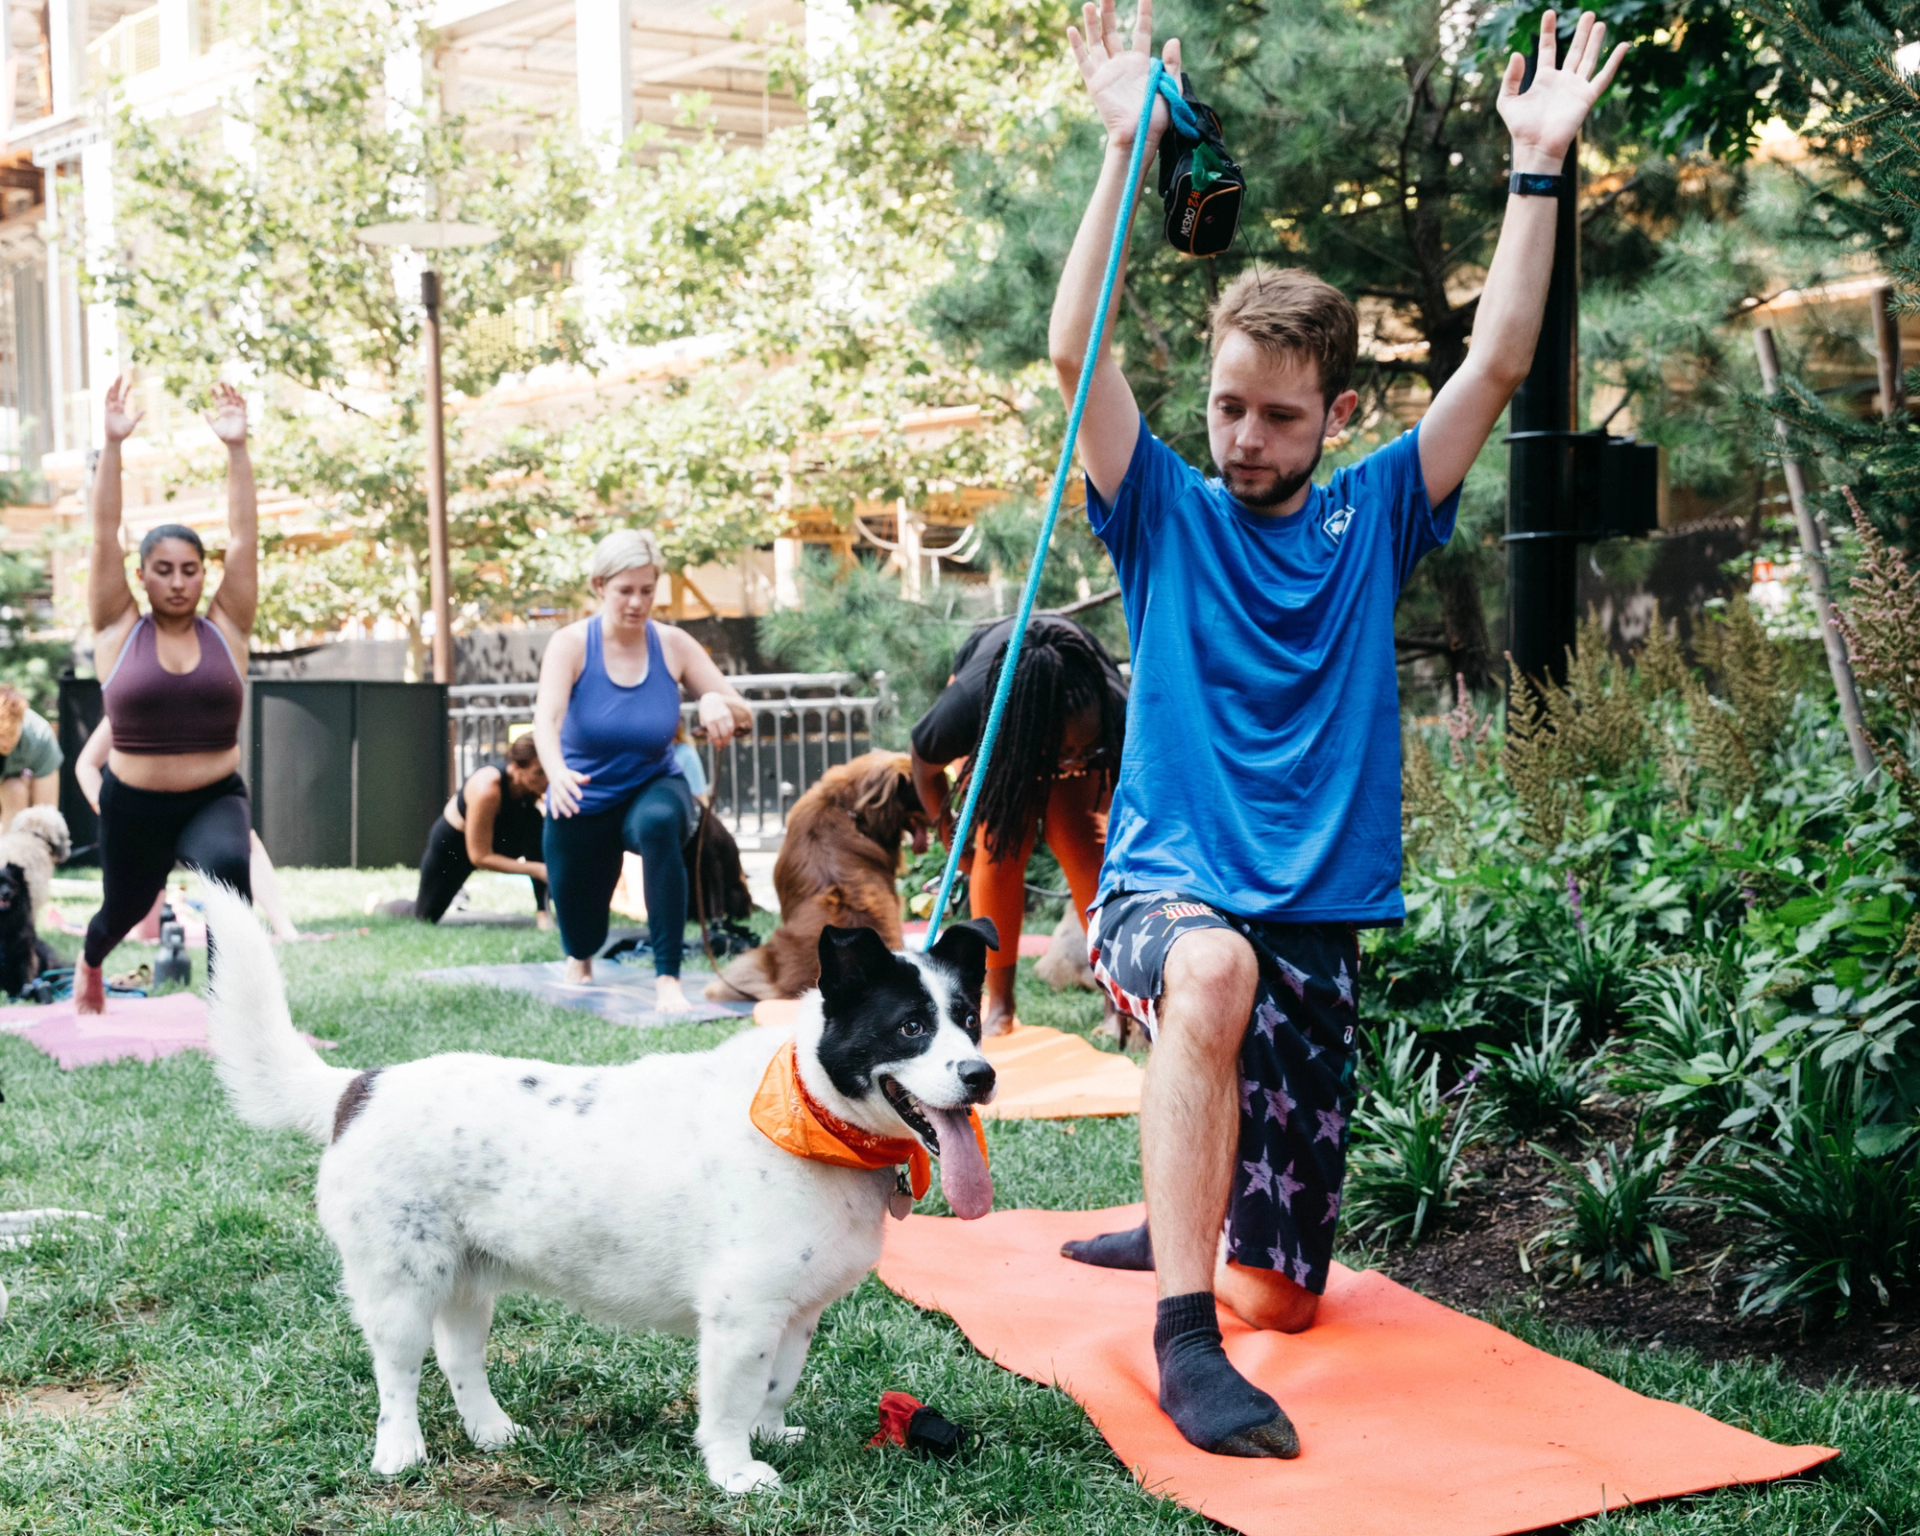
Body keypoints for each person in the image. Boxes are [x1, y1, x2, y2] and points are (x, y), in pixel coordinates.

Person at [1049, 2, 1625, 1458]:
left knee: (1288, 1302)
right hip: (1169, 894)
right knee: (1209, 966)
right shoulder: (1163, 511)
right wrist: (1127, 148)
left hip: (1318, 922)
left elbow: (1496, 362)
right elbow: (1073, 353)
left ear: (1334, 415)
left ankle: (1195, 1226)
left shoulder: (1373, 519)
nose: (1244, 439)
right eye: (1228, 408)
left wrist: (1538, 167)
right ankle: (1185, 1341)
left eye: (1278, 417)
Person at [78, 375, 259, 1013]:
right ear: (142, 575)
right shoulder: (117, 628)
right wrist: (112, 444)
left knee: (230, 875)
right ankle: (91, 960)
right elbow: (104, 535)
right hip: (134, 806)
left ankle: (225, 1011)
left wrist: (237, 449)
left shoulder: (227, 628)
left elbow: (244, 541)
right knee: (124, 909)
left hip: (213, 798)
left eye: (190, 570)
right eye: (164, 570)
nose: (178, 583)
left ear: (202, 574)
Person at [534, 529, 750, 1012]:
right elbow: (545, 719)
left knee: (658, 825)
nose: (637, 602)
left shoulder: (673, 644)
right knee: (581, 933)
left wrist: (716, 700)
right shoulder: (570, 644)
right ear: (599, 586)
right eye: (624, 591)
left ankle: (667, 979)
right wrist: (557, 772)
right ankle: (582, 955)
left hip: (654, 784)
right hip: (581, 792)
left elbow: (744, 711)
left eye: (647, 590)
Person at [910, 613, 1125, 1035]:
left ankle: (1118, 1004)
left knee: (1083, 843)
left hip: (1070, 709)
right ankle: (999, 1007)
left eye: (1084, 750)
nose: (1074, 763)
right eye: (1067, 752)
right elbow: (924, 763)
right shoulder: (970, 706)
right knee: (999, 849)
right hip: (1008, 731)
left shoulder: (1115, 707)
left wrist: (1085, 755)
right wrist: (951, 837)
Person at [75, 716, 298, 941]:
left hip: (197, 811)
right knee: (146, 932)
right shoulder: (131, 700)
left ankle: (284, 929)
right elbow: (86, 764)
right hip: (145, 818)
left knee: (245, 841)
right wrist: (110, 812)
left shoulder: (200, 702)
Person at [401, 735, 551, 926]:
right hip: (456, 847)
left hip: (500, 836)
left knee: (536, 825)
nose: (547, 779)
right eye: (539, 773)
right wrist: (538, 869)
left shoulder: (533, 787)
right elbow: (479, 857)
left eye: (548, 771)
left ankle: (543, 912)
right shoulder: (486, 788)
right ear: (515, 768)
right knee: (425, 915)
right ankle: (380, 905)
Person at [0, 686, 62, 833]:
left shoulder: (39, 735)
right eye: (0, 735)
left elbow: (46, 812)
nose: (5, 743)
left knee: (16, 790)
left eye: (10, 733)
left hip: (12, 796)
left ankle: (9, 852)